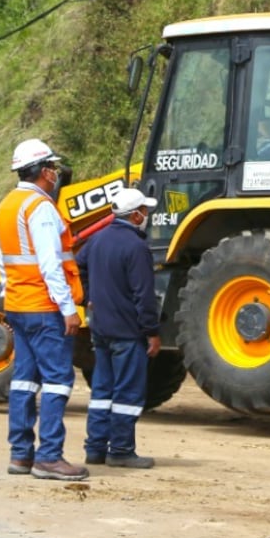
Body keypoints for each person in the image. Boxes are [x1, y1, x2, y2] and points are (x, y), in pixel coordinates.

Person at [0, 138, 89, 482]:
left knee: (24, 379)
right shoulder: (41, 208)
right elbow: (51, 265)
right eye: (52, 167)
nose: (56, 173)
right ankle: (49, 456)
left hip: (19, 305)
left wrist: (9, 299)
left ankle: (21, 454)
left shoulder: (6, 206)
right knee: (57, 380)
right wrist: (68, 309)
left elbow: (4, 263)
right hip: (44, 307)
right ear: (44, 171)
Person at [76, 187, 162, 470]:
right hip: (127, 332)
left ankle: (95, 448)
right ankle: (122, 450)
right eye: (145, 210)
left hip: (101, 329)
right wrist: (152, 331)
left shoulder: (97, 240)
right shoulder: (136, 247)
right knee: (127, 394)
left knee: (102, 390)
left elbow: (77, 267)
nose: (147, 215)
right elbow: (144, 295)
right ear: (135, 215)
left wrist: (87, 297)